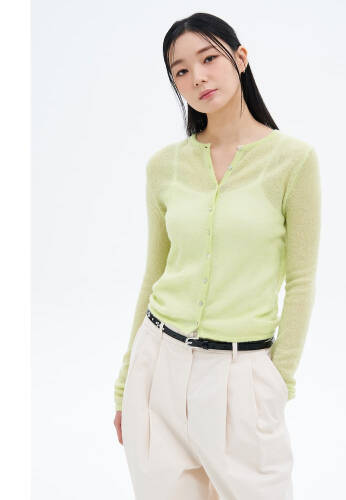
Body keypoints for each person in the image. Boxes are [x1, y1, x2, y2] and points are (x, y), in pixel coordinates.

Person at [113, 12, 321, 500]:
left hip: (241, 376)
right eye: (181, 70)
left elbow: (302, 280)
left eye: (209, 58)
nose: (198, 77)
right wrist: (125, 384)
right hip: (158, 368)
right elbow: (154, 273)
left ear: (240, 58)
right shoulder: (164, 166)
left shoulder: (293, 161)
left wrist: (278, 382)